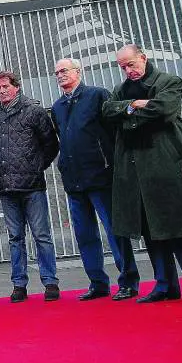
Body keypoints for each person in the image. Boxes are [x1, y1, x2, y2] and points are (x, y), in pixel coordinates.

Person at [103, 44, 182, 305]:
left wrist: (127, 113)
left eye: (131, 64)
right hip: (136, 174)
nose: (128, 70)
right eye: (122, 67)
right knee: (151, 232)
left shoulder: (169, 81)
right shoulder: (121, 91)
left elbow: (163, 111)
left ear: (143, 57)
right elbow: (108, 111)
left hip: (166, 167)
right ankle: (165, 285)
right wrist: (133, 106)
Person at [50, 58, 140, 302]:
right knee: (85, 234)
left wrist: (112, 164)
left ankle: (128, 281)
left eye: (64, 70)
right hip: (74, 180)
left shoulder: (97, 95)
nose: (60, 75)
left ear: (78, 72)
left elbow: (114, 131)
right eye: (57, 72)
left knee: (114, 231)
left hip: (101, 176)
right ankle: (98, 283)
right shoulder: (57, 106)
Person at [0, 71, 60, 303]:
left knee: (42, 235)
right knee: (15, 237)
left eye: (6, 86)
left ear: (16, 86)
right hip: (6, 186)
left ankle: (50, 282)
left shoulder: (34, 111)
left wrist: (37, 166)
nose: (2, 91)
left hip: (32, 185)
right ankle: (19, 284)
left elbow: (51, 144)